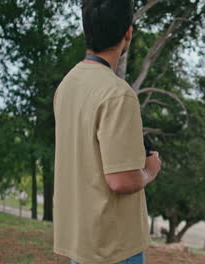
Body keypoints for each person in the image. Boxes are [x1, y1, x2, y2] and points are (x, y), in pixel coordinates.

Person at [53, 0, 161, 263]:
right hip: (114, 246)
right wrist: (150, 169)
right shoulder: (117, 94)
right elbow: (121, 180)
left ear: (85, 31)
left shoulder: (67, 85)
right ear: (128, 33)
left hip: (82, 242)